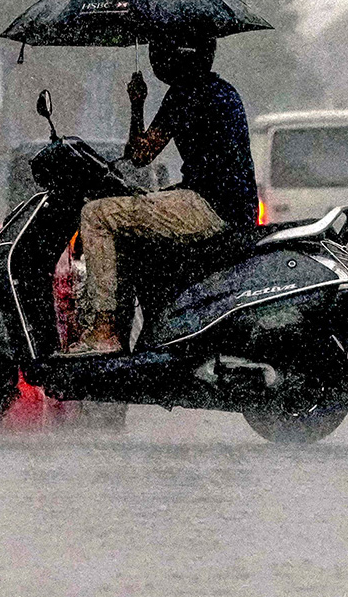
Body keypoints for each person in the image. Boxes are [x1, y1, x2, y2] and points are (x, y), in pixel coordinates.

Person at [66, 33, 258, 355]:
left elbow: (140, 154)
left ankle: (103, 332)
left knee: (97, 215)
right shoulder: (223, 91)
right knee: (135, 210)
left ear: (175, 55)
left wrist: (137, 103)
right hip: (232, 208)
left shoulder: (185, 92)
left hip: (207, 206)